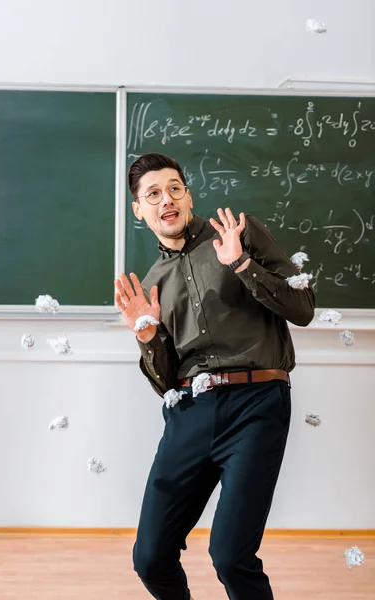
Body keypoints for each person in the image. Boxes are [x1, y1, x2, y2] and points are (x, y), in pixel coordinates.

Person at [115, 152, 315, 600]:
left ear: (188, 194)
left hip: (257, 405)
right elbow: (165, 383)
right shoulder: (153, 283)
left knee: (230, 556)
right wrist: (147, 335)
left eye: (174, 188)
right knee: (150, 557)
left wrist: (243, 265)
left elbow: (304, 309)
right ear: (139, 209)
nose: (165, 199)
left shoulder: (239, 235)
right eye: (153, 194)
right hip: (190, 413)